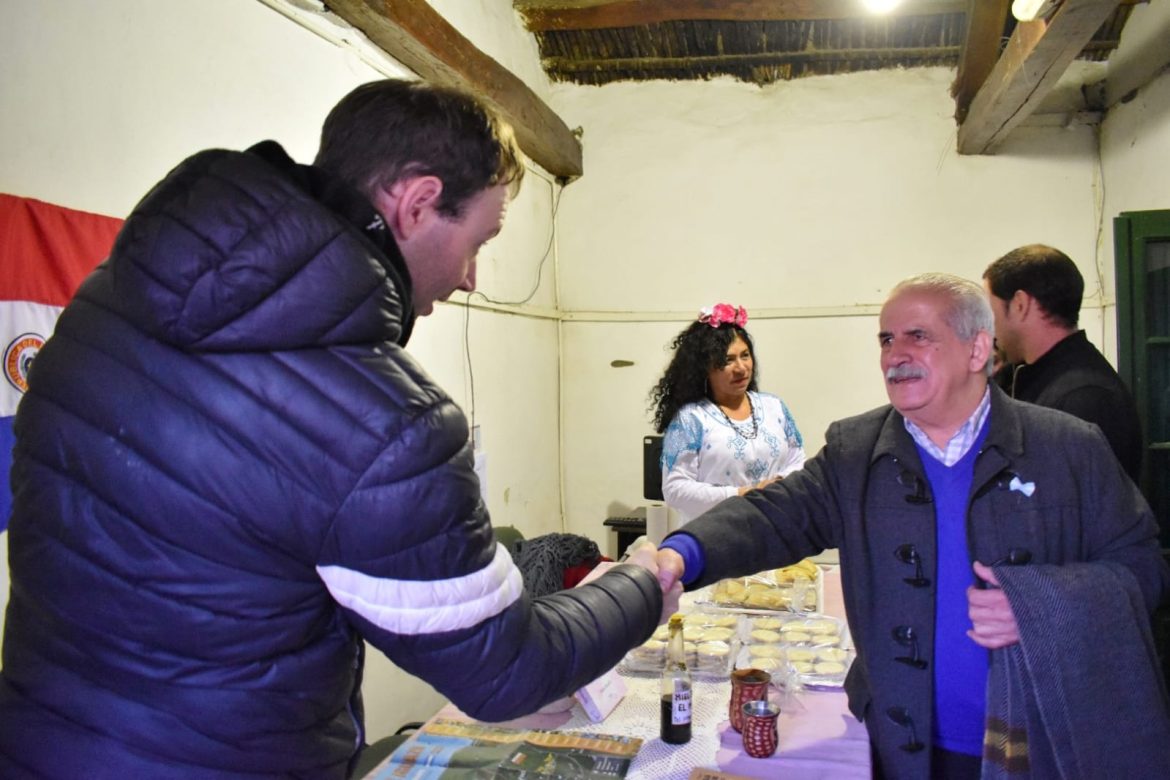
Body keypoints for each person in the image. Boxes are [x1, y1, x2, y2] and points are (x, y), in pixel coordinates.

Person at [0, 79, 677, 779]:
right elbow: (507, 669)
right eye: (480, 240)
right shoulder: (385, 420)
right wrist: (636, 583)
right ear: (416, 205)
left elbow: (223, 565)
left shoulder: (103, 304)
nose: (472, 278)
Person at [655, 274, 1170, 778]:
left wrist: (1041, 604)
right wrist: (681, 554)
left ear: (977, 350)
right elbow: (773, 514)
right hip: (901, 748)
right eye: (886, 339)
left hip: (1038, 743)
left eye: (918, 337)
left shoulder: (1069, 448)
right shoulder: (857, 452)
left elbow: (1143, 565)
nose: (894, 355)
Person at [983, 244, 1143, 482]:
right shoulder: (1037, 376)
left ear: (1019, 304)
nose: (988, 327)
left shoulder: (1085, 398)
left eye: (989, 311)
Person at [649, 303, 805, 525]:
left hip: (775, 531)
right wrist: (744, 494)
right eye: (727, 360)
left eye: (745, 355)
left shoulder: (774, 407)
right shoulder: (691, 418)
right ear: (705, 368)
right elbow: (675, 490)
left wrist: (780, 484)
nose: (741, 368)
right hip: (716, 537)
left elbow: (797, 460)